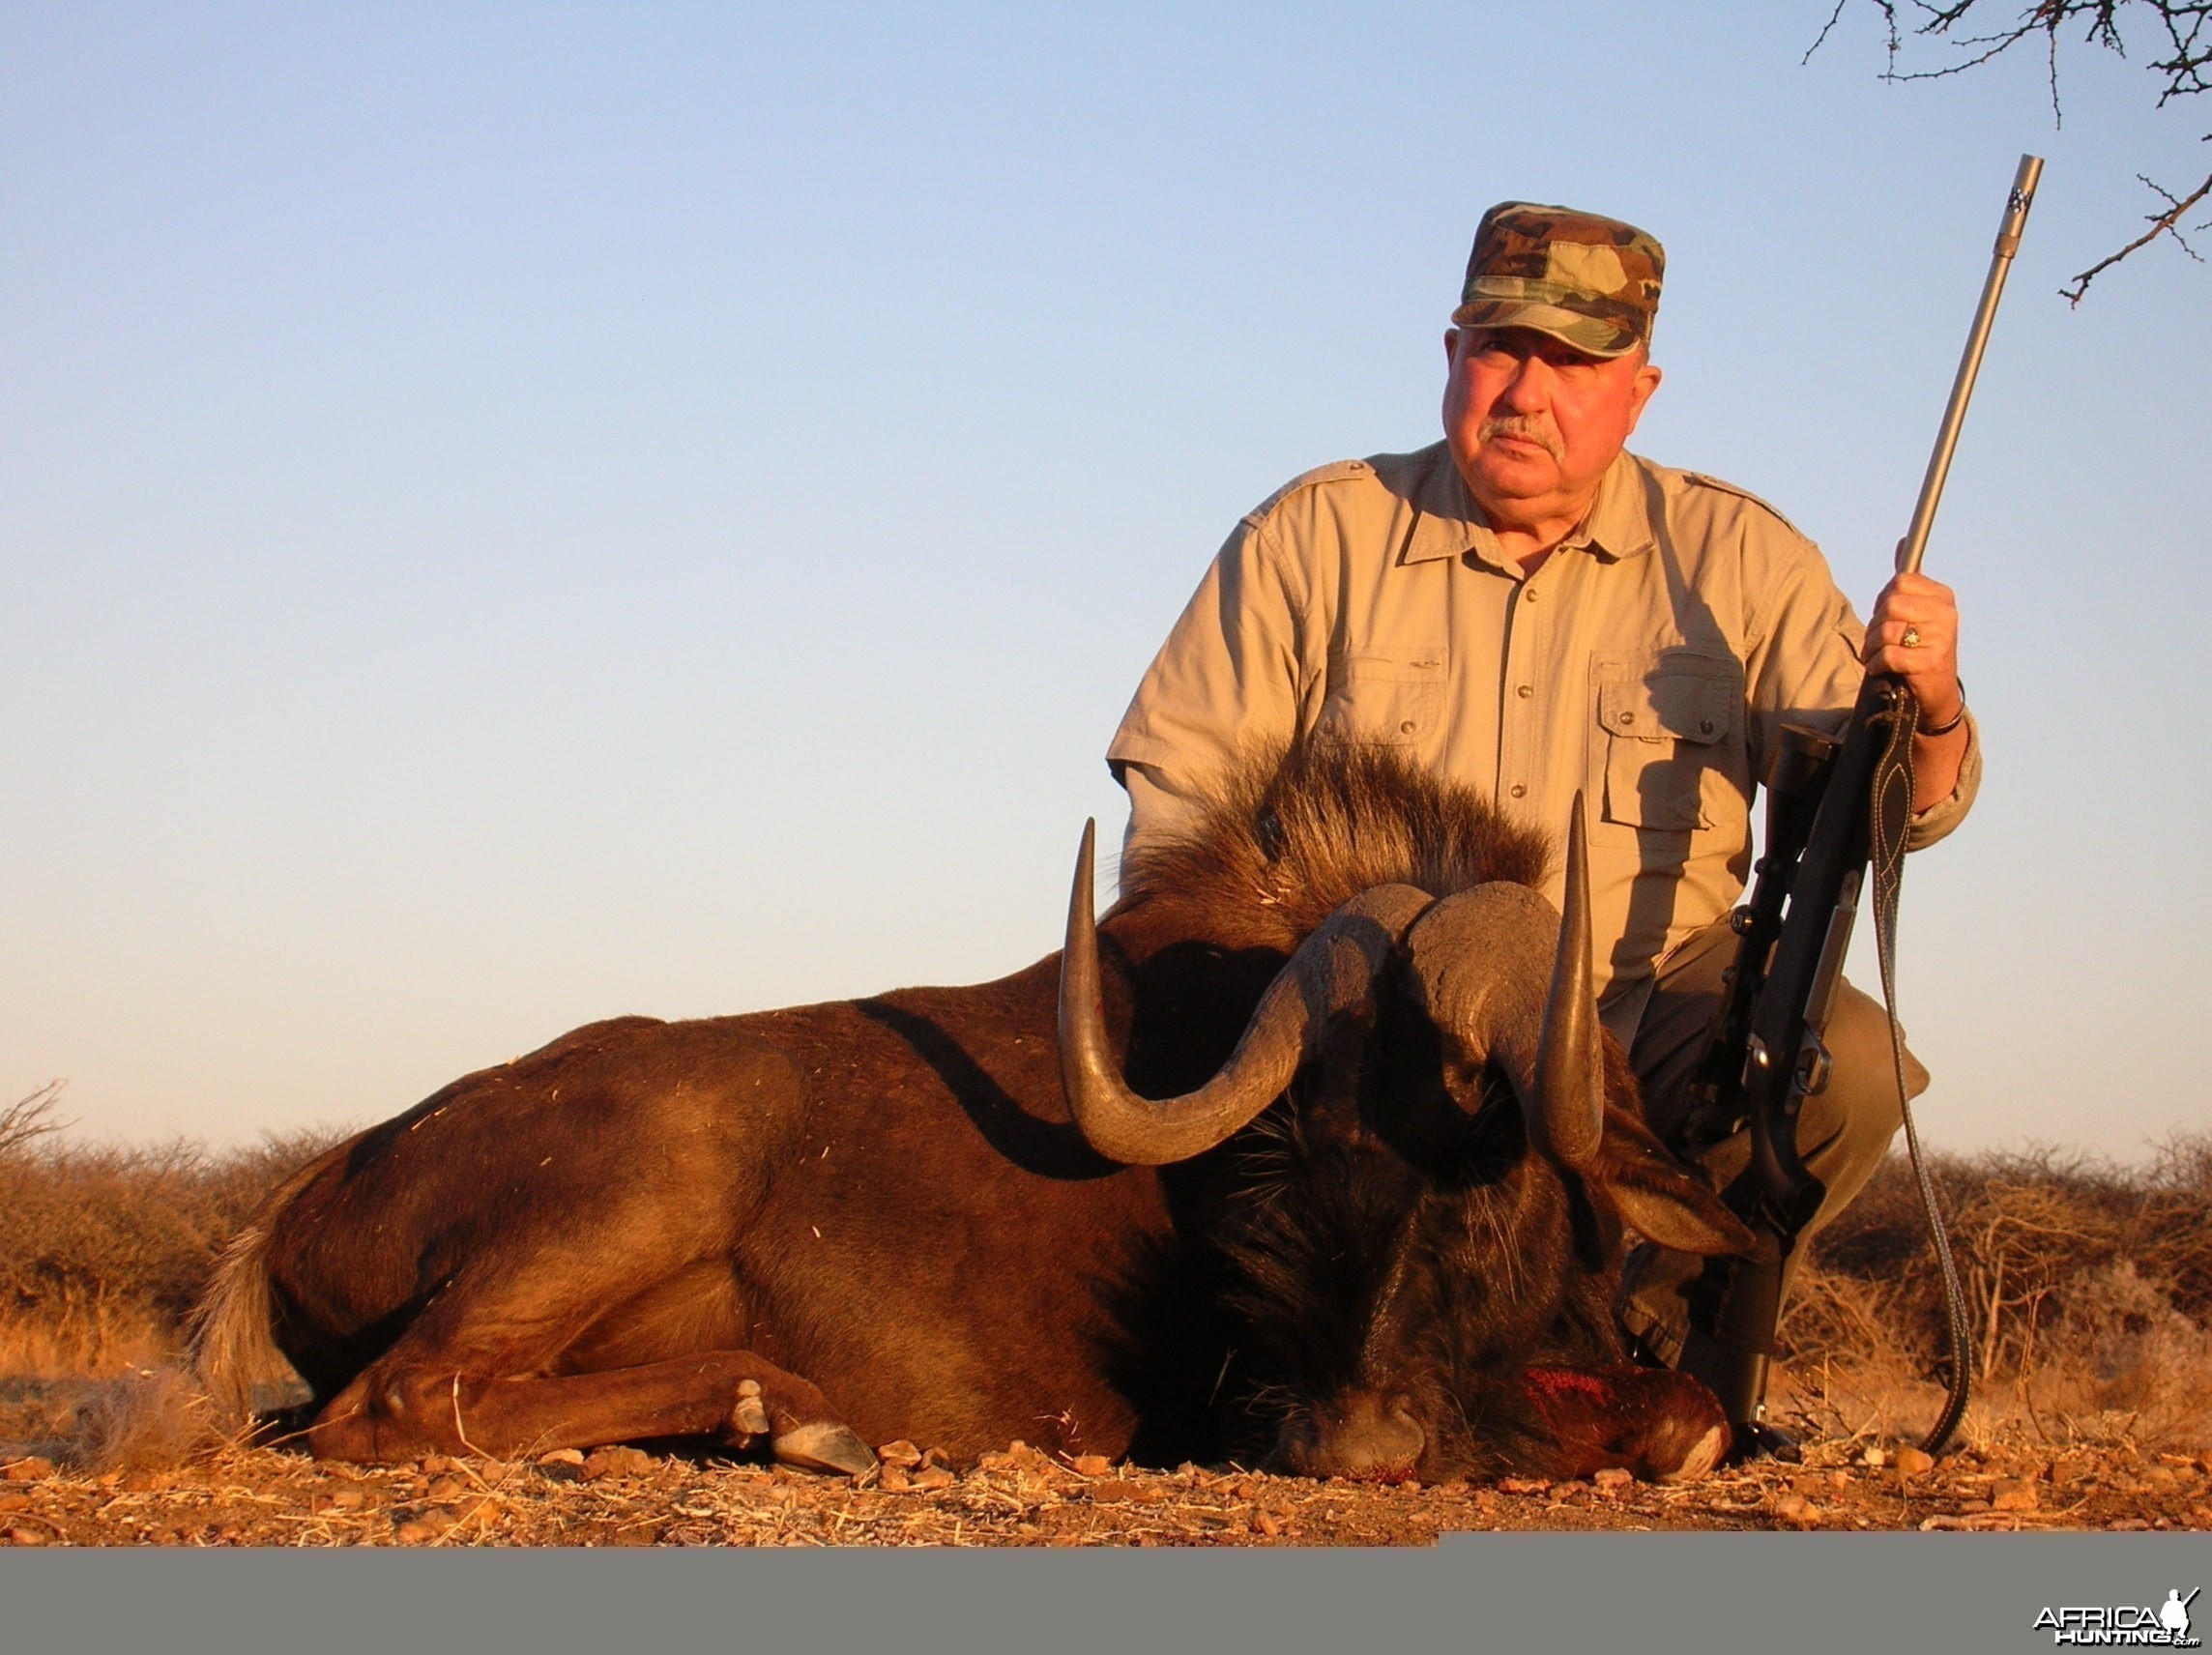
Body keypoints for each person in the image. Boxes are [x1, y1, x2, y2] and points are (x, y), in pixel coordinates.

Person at [1105, 200, 1978, 1455]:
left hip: (1642, 1021)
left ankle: (1637, 1350)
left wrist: (1931, 703)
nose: (1529, 390)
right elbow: (1175, 815)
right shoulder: (1313, 533)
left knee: (1846, 1056)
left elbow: (1892, 808)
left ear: (1640, 387)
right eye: (1502, 349)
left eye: (1574, 362)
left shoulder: (1743, 555)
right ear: (1453, 355)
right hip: (1387, 1039)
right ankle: (1348, 1357)